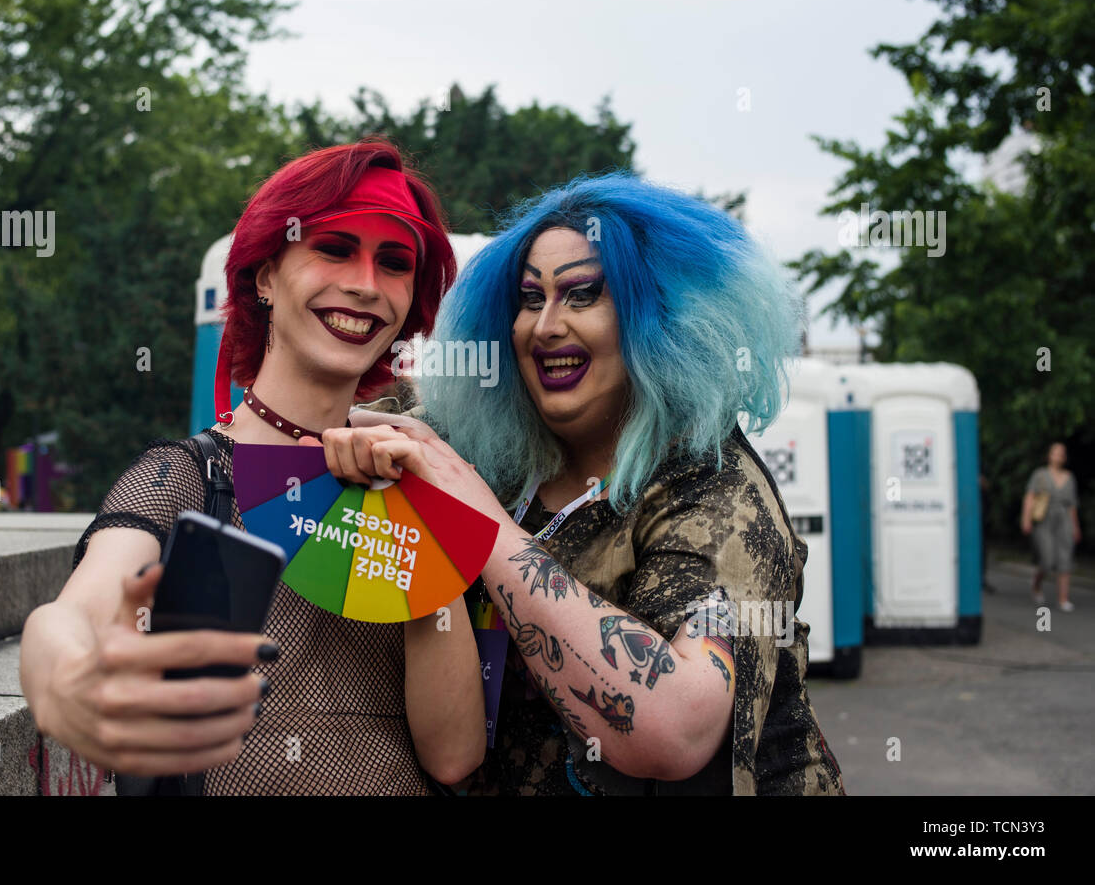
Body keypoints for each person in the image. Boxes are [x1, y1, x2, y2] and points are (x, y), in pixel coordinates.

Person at [316, 172, 845, 795]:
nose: (545, 326)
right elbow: (316, 436)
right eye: (530, 299)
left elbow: (674, 730)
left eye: (582, 294)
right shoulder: (492, 452)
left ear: (661, 318)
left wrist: (481, 525)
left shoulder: (717, 491)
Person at [19, 139, 485, 792]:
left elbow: (454, 754)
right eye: (333, 247)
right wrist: (65, 681)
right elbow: (72, 614)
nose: (364, 284)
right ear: (265, 276)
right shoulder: (187, 477)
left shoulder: (416, 479)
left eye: (395, 262)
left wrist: (413, 525)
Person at [1022, 442, 1081, 611]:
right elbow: (1030, 497)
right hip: (1044, 519)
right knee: (1047, 559)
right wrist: (1026, 519)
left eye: (1062, 453)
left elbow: (1072, 506)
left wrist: (1075, 527)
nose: (1059, 456)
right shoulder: (1039, 474)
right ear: (1049, 455)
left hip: (1064, 520)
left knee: (1065, 558)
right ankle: (1036, 584)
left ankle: (1063, 599)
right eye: (1055, 452)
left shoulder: (1070, 477)